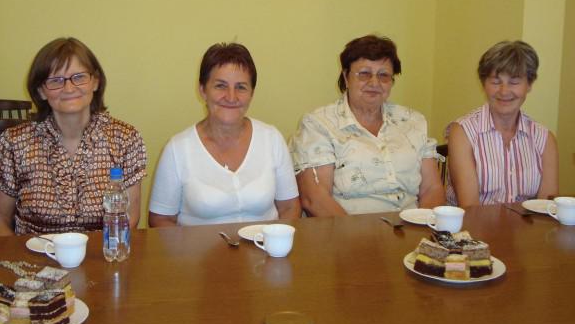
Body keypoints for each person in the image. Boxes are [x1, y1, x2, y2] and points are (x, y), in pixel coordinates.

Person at [0, 37, 147, 235]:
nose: (69, 89)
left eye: (79, 77)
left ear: (95, 82)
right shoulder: (14, 142)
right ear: (41, 91)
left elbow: (130, 217)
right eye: (56, 81)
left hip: (102, 250)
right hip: (31, 251)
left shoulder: (125, 139)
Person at [289, 35, 445, 216]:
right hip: (348, 227)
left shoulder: (413, 121)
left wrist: (422, 226)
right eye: (364, 74)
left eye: (383, 75)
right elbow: (315, 199)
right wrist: (355, 232)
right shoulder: (319, 124)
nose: (374, 83)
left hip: (412, 226)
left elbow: (432, 189)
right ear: (346, 77)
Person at [149, 43, 300, 226]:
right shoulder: (177, 149)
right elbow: (161, 219)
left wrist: (276, 240)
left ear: (252, 93)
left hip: (263, 244)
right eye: (220, 86)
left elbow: (290, 207)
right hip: (199, 246)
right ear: (203, 90)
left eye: (241, 87)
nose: (231, 97)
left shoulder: (272, 139)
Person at [447, 40, 558, 207]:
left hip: (527, 224)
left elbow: (546, 209)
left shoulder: (544, 139)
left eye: (514, 82)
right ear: (483, 84)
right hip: (474, 223)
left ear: (529, 85)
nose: (504, 91)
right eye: (495, 82)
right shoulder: (463, 132)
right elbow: (470, 209)